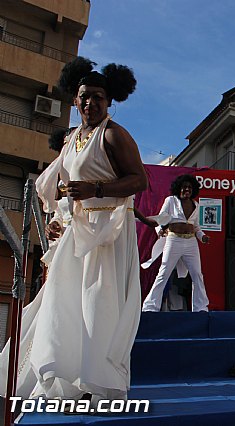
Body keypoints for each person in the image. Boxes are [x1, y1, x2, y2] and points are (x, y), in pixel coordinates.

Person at [0, 56, 147, 404]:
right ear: (74, 100)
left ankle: (95, 384)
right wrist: (59, 217)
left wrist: (96, 190)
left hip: (108, 232)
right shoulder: (73, 138)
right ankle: (61, 377)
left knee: (98, 305)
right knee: (62, 301)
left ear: (109, 101)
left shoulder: (113, 133)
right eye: (84, 96)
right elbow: (64, 188)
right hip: (76, 230)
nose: (90, 102)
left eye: (97, 96)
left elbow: (138, 180)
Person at [142, 174, 210, 313]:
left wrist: (202, 237)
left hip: (191, 242)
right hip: (174, 240)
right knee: (164, 273)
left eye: (190, 187)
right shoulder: (171, 201)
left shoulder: (196, 205)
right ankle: (150, 307)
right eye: (184, 187)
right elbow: (159, 219)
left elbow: (196, 226)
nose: (187, 190)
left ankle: (201, 308)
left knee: (197, 274)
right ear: (179, 188)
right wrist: (160, 231)